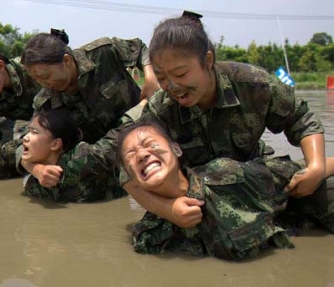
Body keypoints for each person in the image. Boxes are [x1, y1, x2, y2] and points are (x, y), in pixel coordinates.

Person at [121, 13, 328, 229]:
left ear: (208, 61)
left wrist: (316, 166)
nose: (172, 86)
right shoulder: (159, 109)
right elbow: (125, 171)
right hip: (201, 197)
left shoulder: (253, 84)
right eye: (161, 77)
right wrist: (168, 210)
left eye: (180, 74)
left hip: (258, 178)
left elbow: (301, 119)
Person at [116, 120, 334, 260]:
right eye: (131, 156)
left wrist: (319, 168)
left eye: (149, 144)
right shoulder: (149, 237)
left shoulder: (226, 175)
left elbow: (302, 173)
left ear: (176, 149)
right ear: (132, 177)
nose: (142, 155)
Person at [21, 31, 159, 143]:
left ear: (67, 60)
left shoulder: (103, 53)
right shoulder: (46, 102)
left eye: (45, 76)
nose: (44, 84)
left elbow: (138, 48)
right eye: (36, 80)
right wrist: (34, 166)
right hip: (105, 159)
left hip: (148, 131)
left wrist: (150, 76)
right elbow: (30, 138)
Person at [21, 108, 125, 202]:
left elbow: (116, 141)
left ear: (55, 144)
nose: (25, 137)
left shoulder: (81, 159)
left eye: (34, 132)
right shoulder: (34, 186)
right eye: (28, 131)